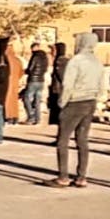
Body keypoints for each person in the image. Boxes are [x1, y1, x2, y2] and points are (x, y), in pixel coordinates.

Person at [44, 33, 103, 187]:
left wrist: (62, 103)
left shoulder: (76, 61)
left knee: (63, 140)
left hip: (74, 102)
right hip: (90, 102)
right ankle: (81, 177)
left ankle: (63, 176)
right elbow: (102, 84)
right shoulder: (97, 61)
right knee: (82, 140)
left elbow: (68, 84)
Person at [23, 43, 49, 126]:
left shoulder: (35, 56)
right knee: (37, 100)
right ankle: (38, 118)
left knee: (26, 98)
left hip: (33, 80)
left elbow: (30, 68)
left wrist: (26, 71)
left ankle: (31, 116)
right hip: (41, 80)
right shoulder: (45, 57)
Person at [47, 42, 69, 126]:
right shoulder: (58, 60)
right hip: (57, 89)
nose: (51, 52)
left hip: (59, 89)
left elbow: (63, 77)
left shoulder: (61, 61)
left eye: (53, 50)